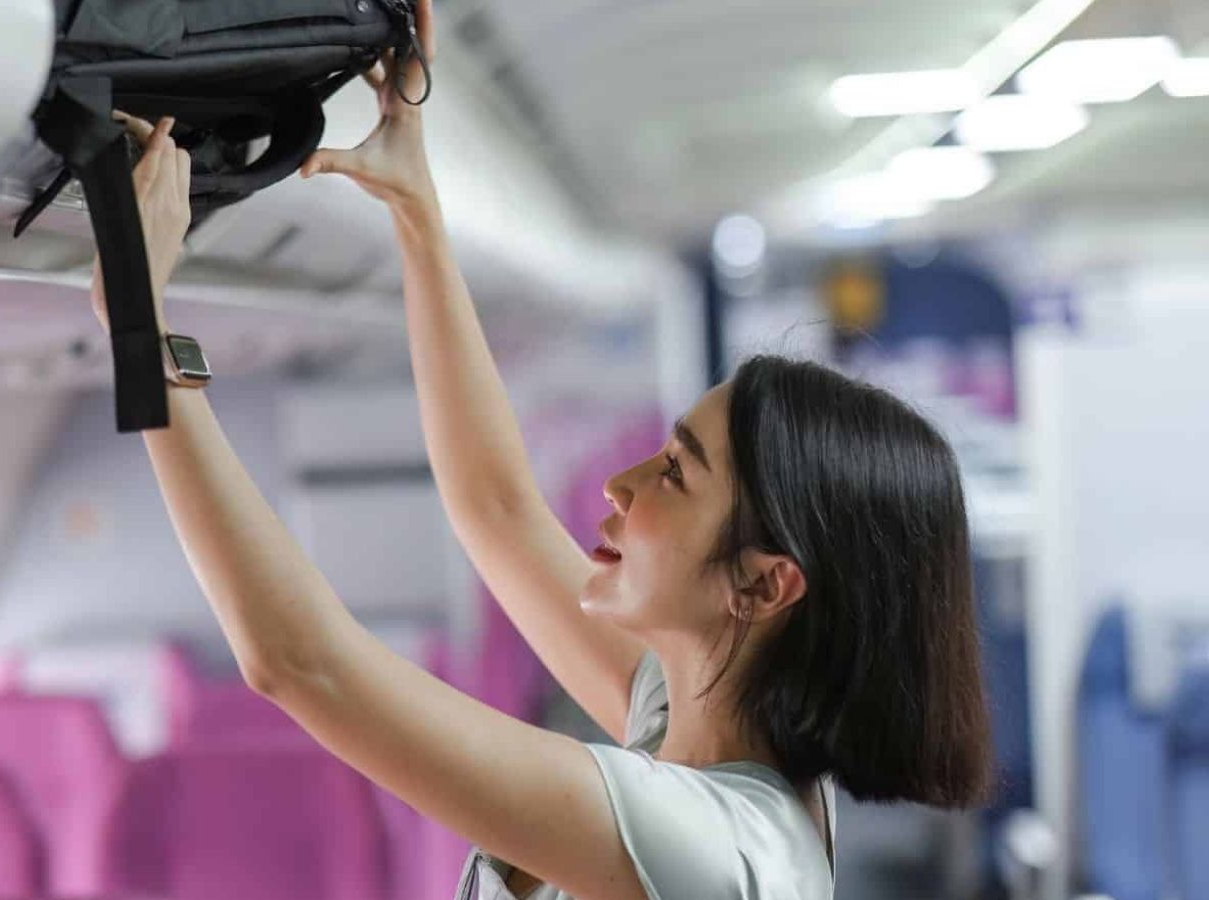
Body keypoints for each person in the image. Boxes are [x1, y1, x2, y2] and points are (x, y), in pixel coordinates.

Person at [91, 4, 993, 896]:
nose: (621, 483)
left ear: (762, 583)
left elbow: (300, 664)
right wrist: (416, 210)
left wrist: (143, 325)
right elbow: (496, 508)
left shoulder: (714, 847)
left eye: (676, 473)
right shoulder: (703, 722)